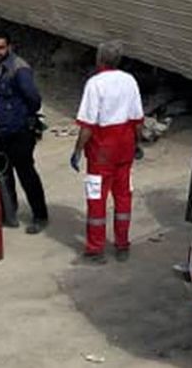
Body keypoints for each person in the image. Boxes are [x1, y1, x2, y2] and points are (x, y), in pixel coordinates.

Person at [71, 40, 143, 263]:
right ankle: (122, 245)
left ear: (99, 59)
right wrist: (136, 144)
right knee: (123, 198)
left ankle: (95, 249)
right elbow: (137, 120)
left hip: (101, 152)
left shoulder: (95, 84)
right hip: (125, 149)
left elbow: (87, 126)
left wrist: (77, 151)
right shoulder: (129, 81)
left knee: (96, 199)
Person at [0, 29, 48, 233]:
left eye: (1, 48)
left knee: (26, 174)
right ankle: (9, 215)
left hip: (20, 131)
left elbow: (34, 98)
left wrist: (24, 119)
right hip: (2, 132)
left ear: (9, 47)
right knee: (2, 173)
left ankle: (40, 216)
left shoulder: (18, 69)